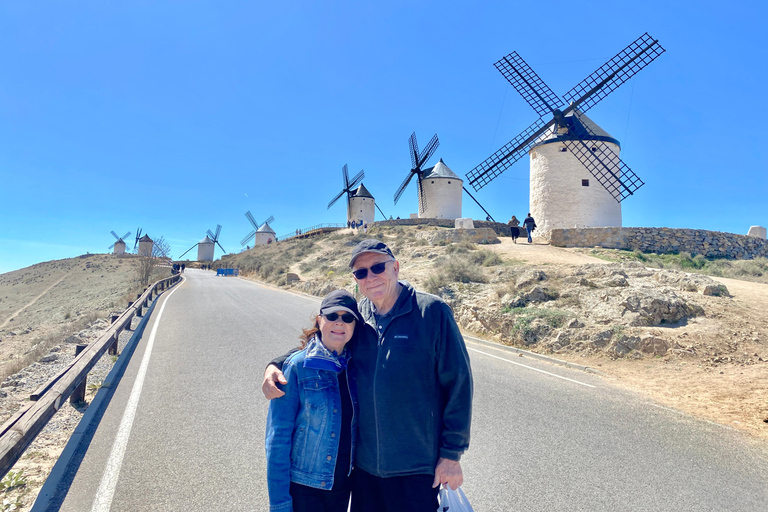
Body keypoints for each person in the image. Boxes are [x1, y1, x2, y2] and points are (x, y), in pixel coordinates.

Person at [263, 239, 473, 512]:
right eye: (361, 272)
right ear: (356, 280)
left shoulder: (431, 312)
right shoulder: (358, 317)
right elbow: (325, 346)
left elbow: (459, 384)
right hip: (363, 472)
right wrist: (276, 363)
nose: (370, 277)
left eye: (377, 267)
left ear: (396, 267)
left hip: (415, 468)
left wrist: (451, 455)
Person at [265, 290, 361, 512]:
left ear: (354, 326)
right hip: (304, 490)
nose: (339, 323)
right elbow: (277, 440)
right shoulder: (297, 367)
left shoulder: (356, 367)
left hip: (341, 489)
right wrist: (279, 504)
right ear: (320, 320)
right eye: (332, 316)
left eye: (347, 318)